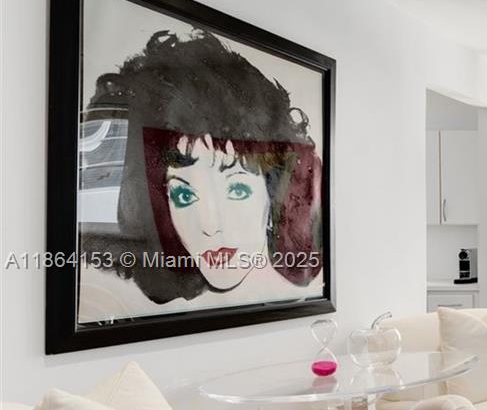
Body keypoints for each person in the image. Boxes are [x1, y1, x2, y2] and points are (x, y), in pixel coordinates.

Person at [78, 29, 325, 321]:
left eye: (238, 190)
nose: (209, 226)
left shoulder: (297, 287)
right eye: (184, 194)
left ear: (274, 197)